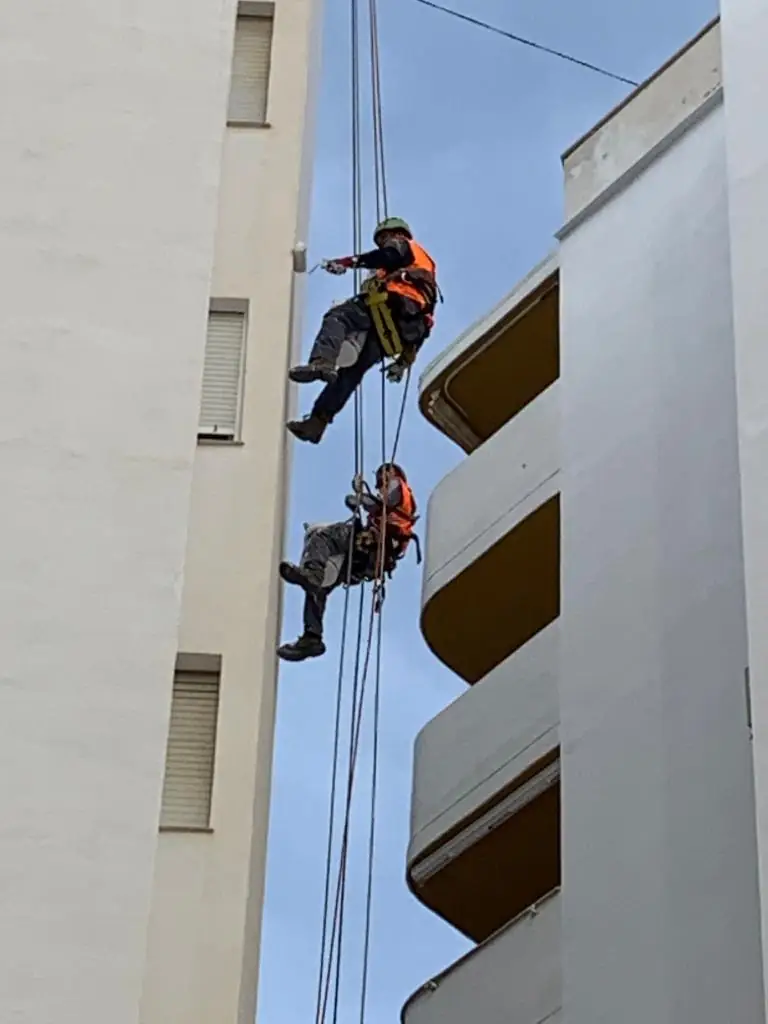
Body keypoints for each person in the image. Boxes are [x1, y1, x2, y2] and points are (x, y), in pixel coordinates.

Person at [287, 218, 439, 445]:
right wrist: (404, 361)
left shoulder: (401, 244)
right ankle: (317, 422)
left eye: (383, 239)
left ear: (395, 233)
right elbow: (427, 321)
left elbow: (387, 256)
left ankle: (322, 362)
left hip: (392, 306)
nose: (383, 244)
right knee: (351, 371)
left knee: (338, 316)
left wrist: (349, 262)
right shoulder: (424, 271)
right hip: (405, 330)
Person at [277, 463, 418, 662]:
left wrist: (361, 497)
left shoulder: (398, 487)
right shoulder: (390, 505)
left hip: (371, 547)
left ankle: (313, 574)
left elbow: (383, 504)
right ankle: (312, 637)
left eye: (382, 481)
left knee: (323, 537)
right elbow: (381, 507)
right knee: (319, 586)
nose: (380, 486)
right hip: (366, 559)